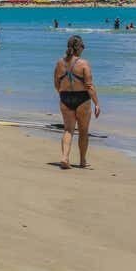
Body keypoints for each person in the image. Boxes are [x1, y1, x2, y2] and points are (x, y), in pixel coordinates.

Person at [53, 35, 100, 170]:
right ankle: (82, 161)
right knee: (83, 131)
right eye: (83, 46)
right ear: (79, 48)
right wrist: (96, 103)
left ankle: (65, 157)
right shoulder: (84, 64)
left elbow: (56, 83)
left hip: (65, 98)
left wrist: (63, 94)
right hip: (82, 99)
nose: (84, 48)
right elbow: (89, 86)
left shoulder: (59, 63)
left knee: (68, 130)